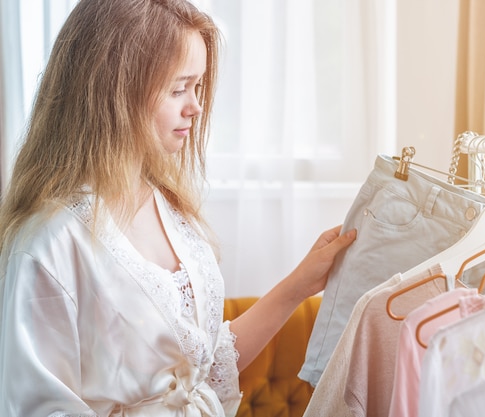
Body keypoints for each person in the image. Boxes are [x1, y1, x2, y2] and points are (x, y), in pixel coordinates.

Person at [0, 0, 356, 416]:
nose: (196, 106)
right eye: (178, 88)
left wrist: (300, 283)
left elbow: (203, 366)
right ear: (114, 91)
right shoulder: (49, 243)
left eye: (198, 86)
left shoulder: (169, 207)